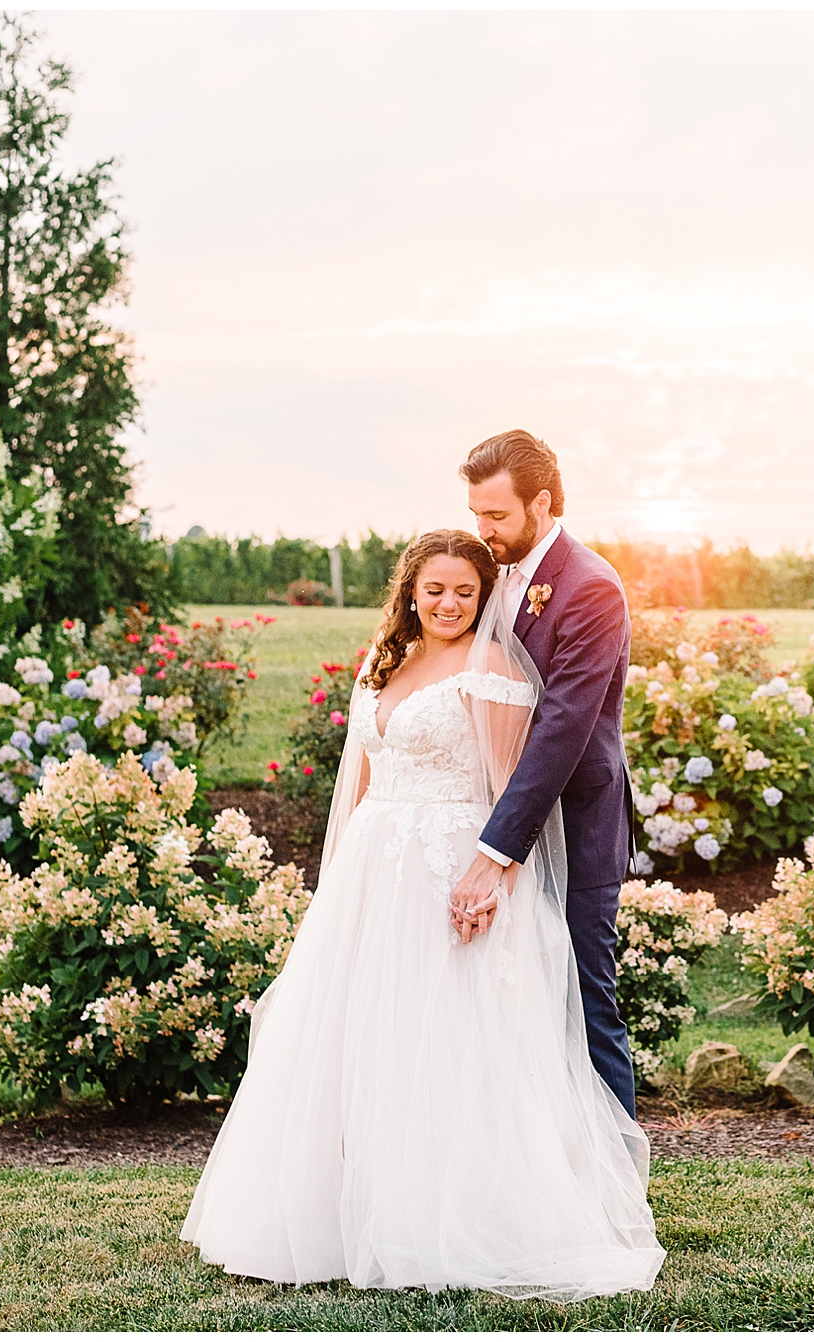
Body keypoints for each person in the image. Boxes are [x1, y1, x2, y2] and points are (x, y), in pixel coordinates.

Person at [180, 527, 663, 1300]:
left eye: (465, 593)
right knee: (362, 1035)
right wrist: (342, 887)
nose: (448, 603)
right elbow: (367, 781)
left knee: (445, 1039)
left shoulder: (495, 669)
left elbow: (510, 791)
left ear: (484, 600)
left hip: (451, 871)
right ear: (410, 590)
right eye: (433, 589)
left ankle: (453, 1214)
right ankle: (339, 1211)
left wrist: (491, 878)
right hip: (374, 873)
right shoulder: (387, 661)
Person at [451, 430, 642, 1118]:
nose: (483, 529)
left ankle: (618, 1183)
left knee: (584, 1000)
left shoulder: (591, 588)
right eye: (475, 513)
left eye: (496, 515)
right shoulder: (489, 572)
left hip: (575, 823)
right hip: (495, 815)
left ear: (542, 503)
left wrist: (495, 847)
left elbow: (563, 726)